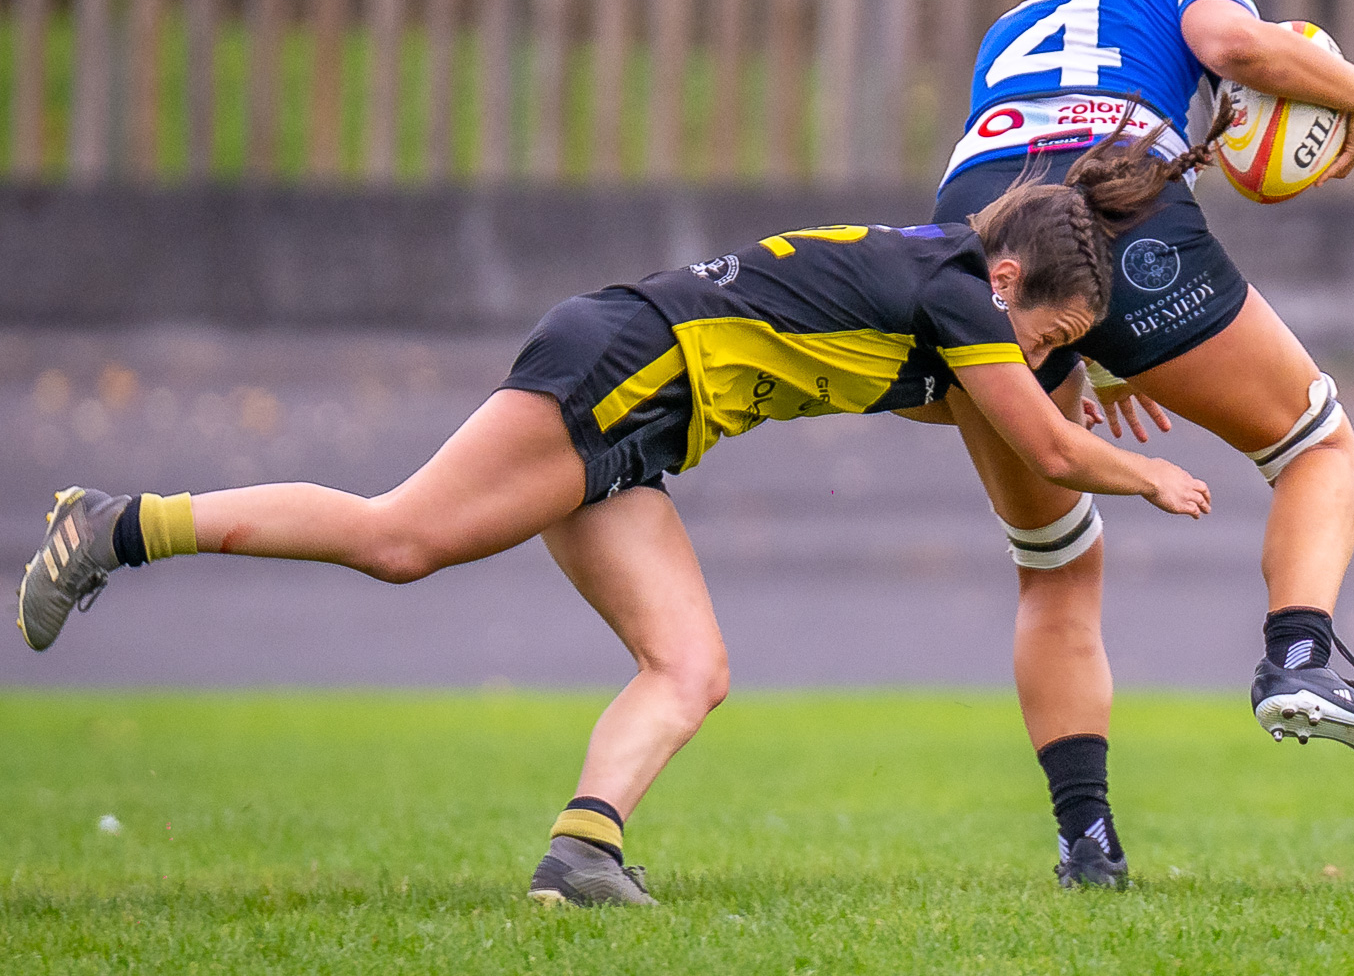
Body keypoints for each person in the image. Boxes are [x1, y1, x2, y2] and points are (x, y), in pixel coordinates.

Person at [17, 162, 1214, 907]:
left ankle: (583, 853)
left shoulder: (948, 286)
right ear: (1010, 278)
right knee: (400, 537)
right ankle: (117, 525)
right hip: (625, 362)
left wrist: (1068, 395)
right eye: (1053, 338)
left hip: (647, 412)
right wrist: (1144, 468)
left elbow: (982, 401)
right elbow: (1044, 450)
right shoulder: (959, 285)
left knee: (691, 665)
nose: (1048, 361)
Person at [930, 0, 1354, 889]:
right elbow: (1231, 46)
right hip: (1119, 216)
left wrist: (1089, 338)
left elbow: (1032, 175)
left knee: (1054, 565)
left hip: (971, 238)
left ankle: (1088, 842)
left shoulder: (1017, 24)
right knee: (1316, 443)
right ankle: (1298, 658)